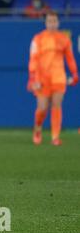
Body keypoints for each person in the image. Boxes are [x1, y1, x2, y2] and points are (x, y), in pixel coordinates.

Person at [27, 11, 78, 146]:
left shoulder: (64, 39)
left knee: (57, 104)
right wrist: (32, 78)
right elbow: (33, 59)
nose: (52, 24)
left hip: (58, 76)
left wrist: (74, 74)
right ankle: (37, 129)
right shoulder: (37, 39)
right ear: (45, 23)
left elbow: (70, 58)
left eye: (54, 21)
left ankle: (55, 136)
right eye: (49, 21)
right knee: (42, 107)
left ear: (58, 23)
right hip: (41, 77)